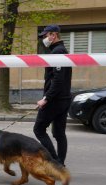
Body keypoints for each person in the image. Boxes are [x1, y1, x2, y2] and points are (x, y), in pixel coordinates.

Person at [33, 24, 72, 166]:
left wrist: (46, 98)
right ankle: (60, 162)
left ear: (53, 35)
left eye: (45, 35)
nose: (44, 38)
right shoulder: (60, 50)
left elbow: (58, 80)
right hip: (64, 98)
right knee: (59, 133)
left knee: (38, 129)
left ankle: (54, 160)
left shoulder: (58, 52)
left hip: (55, 100)